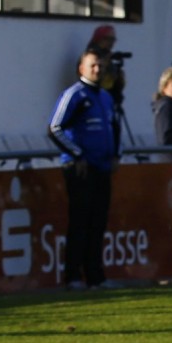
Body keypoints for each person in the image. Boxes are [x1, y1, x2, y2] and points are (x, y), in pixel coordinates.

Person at [49, 51, 122, 289]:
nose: (97, 70)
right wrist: (76, 155)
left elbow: (114, 128)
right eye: (93, 66)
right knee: (80, 222)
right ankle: (72, 276)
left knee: (98, 222)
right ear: (82, 68)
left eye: (101, 66)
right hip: (81, 168)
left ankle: (95, 276)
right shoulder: (74, 95)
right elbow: (54, 128)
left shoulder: (106, 97)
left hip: (102, 166)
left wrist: (115, 155)